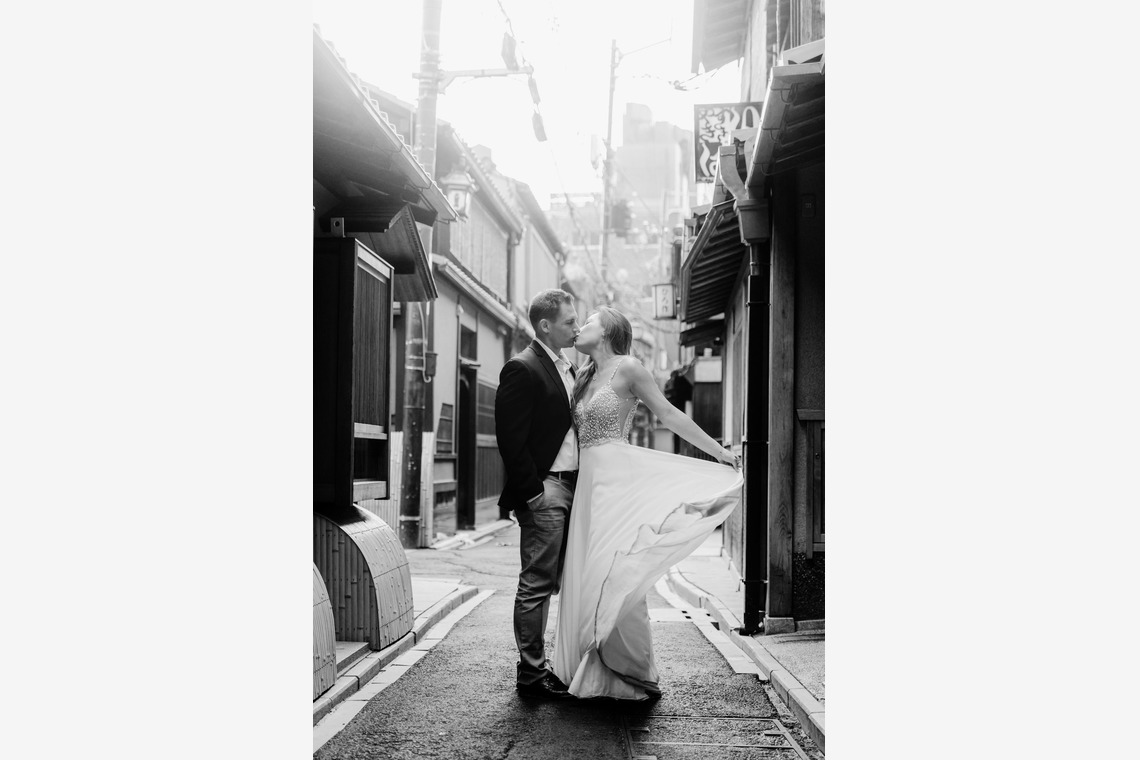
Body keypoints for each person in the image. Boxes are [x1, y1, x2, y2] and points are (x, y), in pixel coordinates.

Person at [552, 306, 742, 701]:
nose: (580, 327)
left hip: (618, 482)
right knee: (584, 569)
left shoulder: (630, 367)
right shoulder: (582, 374)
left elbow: (669, 414)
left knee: (613, 567)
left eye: (587, 321)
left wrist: (717, 451)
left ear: (606, 332)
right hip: (587, 483)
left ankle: (625, 669)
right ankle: (580, 662)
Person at [495, 288, 581, 699]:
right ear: (545, 325)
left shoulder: (569, 368)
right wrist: (532, 494)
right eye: (569, 321)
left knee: (565, 580)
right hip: (545, 490)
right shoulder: (522, 368)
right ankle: (531, 674)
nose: (576, 327)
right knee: (536, 583)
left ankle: (554, 665)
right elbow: (511, 440)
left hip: (575, 488)